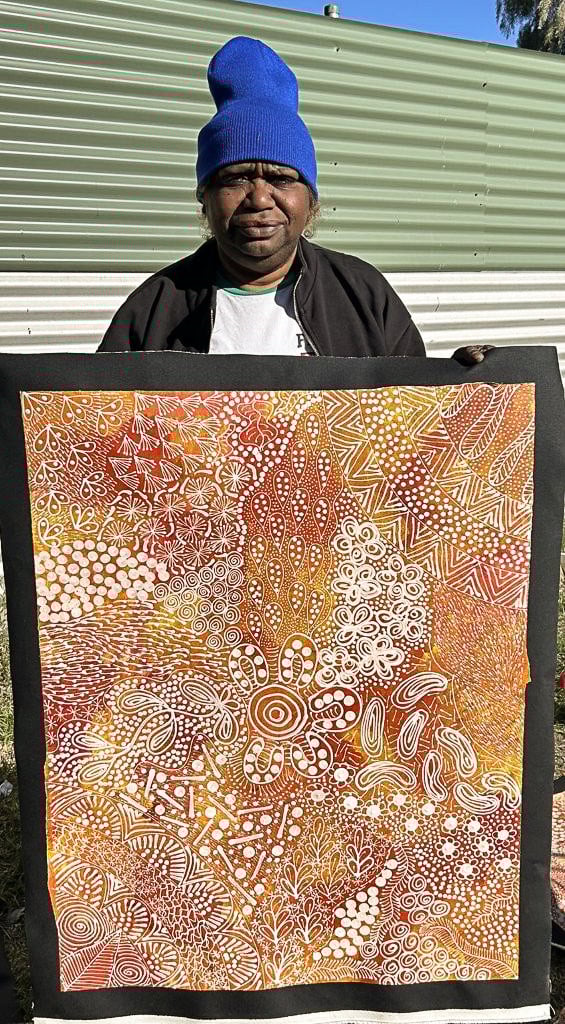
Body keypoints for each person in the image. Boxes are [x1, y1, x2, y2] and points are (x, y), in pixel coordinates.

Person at [97, 36, 491, 366]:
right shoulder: (151, 313)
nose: (259, 198)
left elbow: (411, 417)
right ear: (206, 199)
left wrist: (456, 388)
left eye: (281, 178)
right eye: (235, 178)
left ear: (311, 201)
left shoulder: (364, 296)